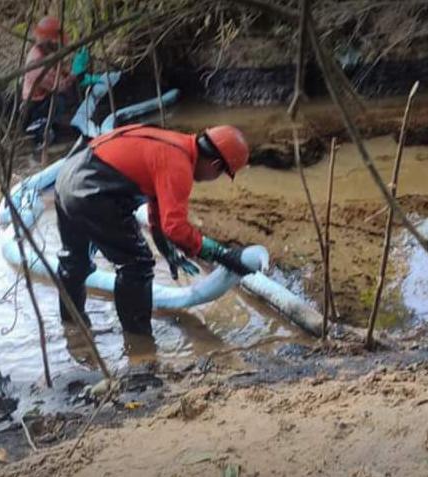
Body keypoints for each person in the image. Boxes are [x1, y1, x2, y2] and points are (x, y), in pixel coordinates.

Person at [54, 124, 257, 335]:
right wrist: (219, 254)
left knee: (74, 261)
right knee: (137, 266)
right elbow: (176, 227)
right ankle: (139, 346)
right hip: (93, 192)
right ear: (215, 165)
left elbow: (158, 210)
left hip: (67, 178)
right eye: (222, 173)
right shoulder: (179, 165)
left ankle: (73, 329)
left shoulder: (172, 142)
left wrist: (166, 249)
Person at [22, 16, 80, 149]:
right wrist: (76, 75)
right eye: (55, 43)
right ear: (48, 42)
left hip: (44, 101)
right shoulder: (36, 63)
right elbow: (57, 87)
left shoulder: (46, 54)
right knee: (59, 100)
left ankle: (55, 125)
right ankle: (41, 131)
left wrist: (70, 74)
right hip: (35, 106)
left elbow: (61, 73)